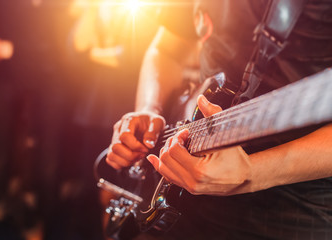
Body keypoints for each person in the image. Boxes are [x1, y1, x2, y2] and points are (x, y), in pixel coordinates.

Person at [105, 0, 332, 239]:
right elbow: (168, 47)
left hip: (293, 207)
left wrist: (253, 172)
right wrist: (150, 108)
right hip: (179, 183)